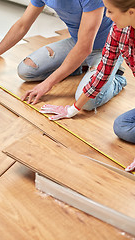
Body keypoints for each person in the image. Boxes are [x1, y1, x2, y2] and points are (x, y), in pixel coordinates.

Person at [0, 0, 126, 113]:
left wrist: (47, 84)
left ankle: (116, 79)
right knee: (26, 70)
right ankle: (80, 67)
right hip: (76, 42)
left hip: (106, 48)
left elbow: (85, 47)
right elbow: (22, 25)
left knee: (87, 102)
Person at [40, 0, 135, 172]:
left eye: (111, 12)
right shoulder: (118, 30)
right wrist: (73, 109)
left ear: (131, 12)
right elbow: (103, 71)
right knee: (122, 127)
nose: (106, 16)